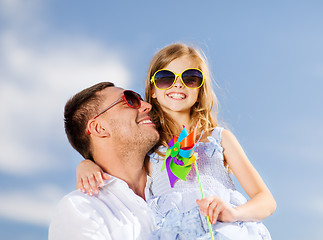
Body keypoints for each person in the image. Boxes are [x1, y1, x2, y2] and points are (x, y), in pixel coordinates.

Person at [77, 43, 277, 239]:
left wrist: (233, 213)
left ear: (200, 92)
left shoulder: (219, 139)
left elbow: (266, 201)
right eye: (166, 78)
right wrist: (87, 164)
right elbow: (118, 169)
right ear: (153, 90)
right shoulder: (149, 148)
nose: (178, 84)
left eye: (190, 78)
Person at [48, 82, 160, 240]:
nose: (147, 106)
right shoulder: (81, 209)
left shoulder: (176, 185)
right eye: (129, 100)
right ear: (99, 128)